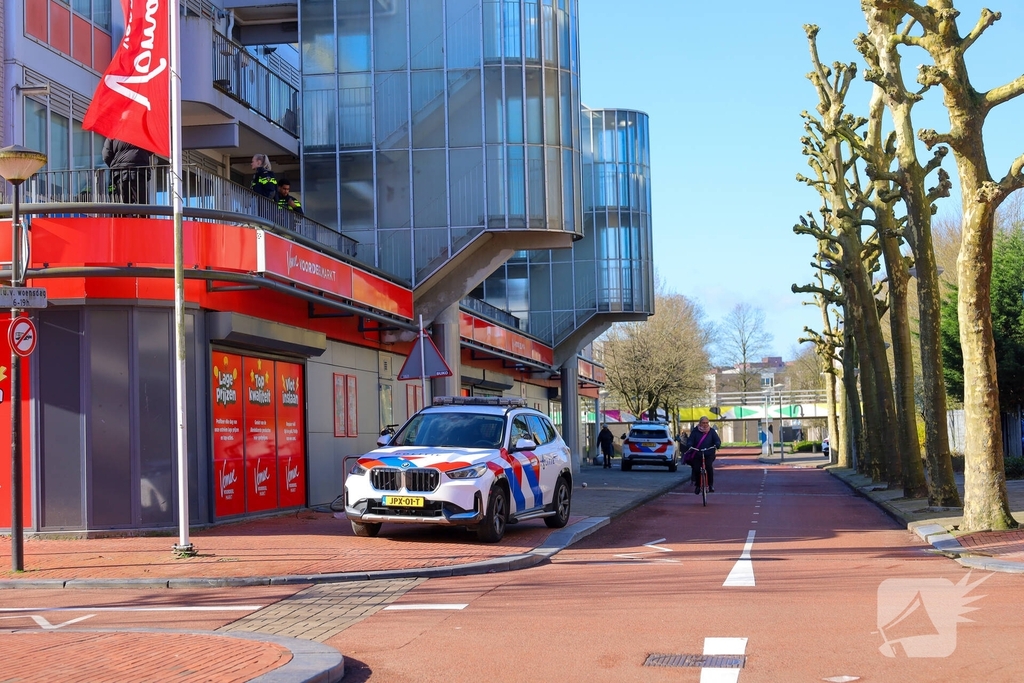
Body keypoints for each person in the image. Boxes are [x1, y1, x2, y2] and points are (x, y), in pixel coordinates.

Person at [103, 138, 152, 204]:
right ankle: (142, 213)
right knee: (142, 204)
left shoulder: (113, 134)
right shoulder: (142, 132)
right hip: (139, 171)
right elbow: (151, 150)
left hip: (120, 172)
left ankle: (125, 213)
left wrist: (115, 165)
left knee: (123, 205)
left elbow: (106, 155)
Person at [686, 416, 721, 494]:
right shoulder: (695, 431)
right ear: (700, 423)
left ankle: (710, 485)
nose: (705, 424)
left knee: (708, 466)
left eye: (706, 423)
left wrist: (717, 444)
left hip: (709, 453)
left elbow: (717, 440)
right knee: (697, 468)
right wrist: (689, 445)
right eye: (703, 423)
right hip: (697, 453)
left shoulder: (711, 431)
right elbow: (690, 440)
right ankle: (698, 485)